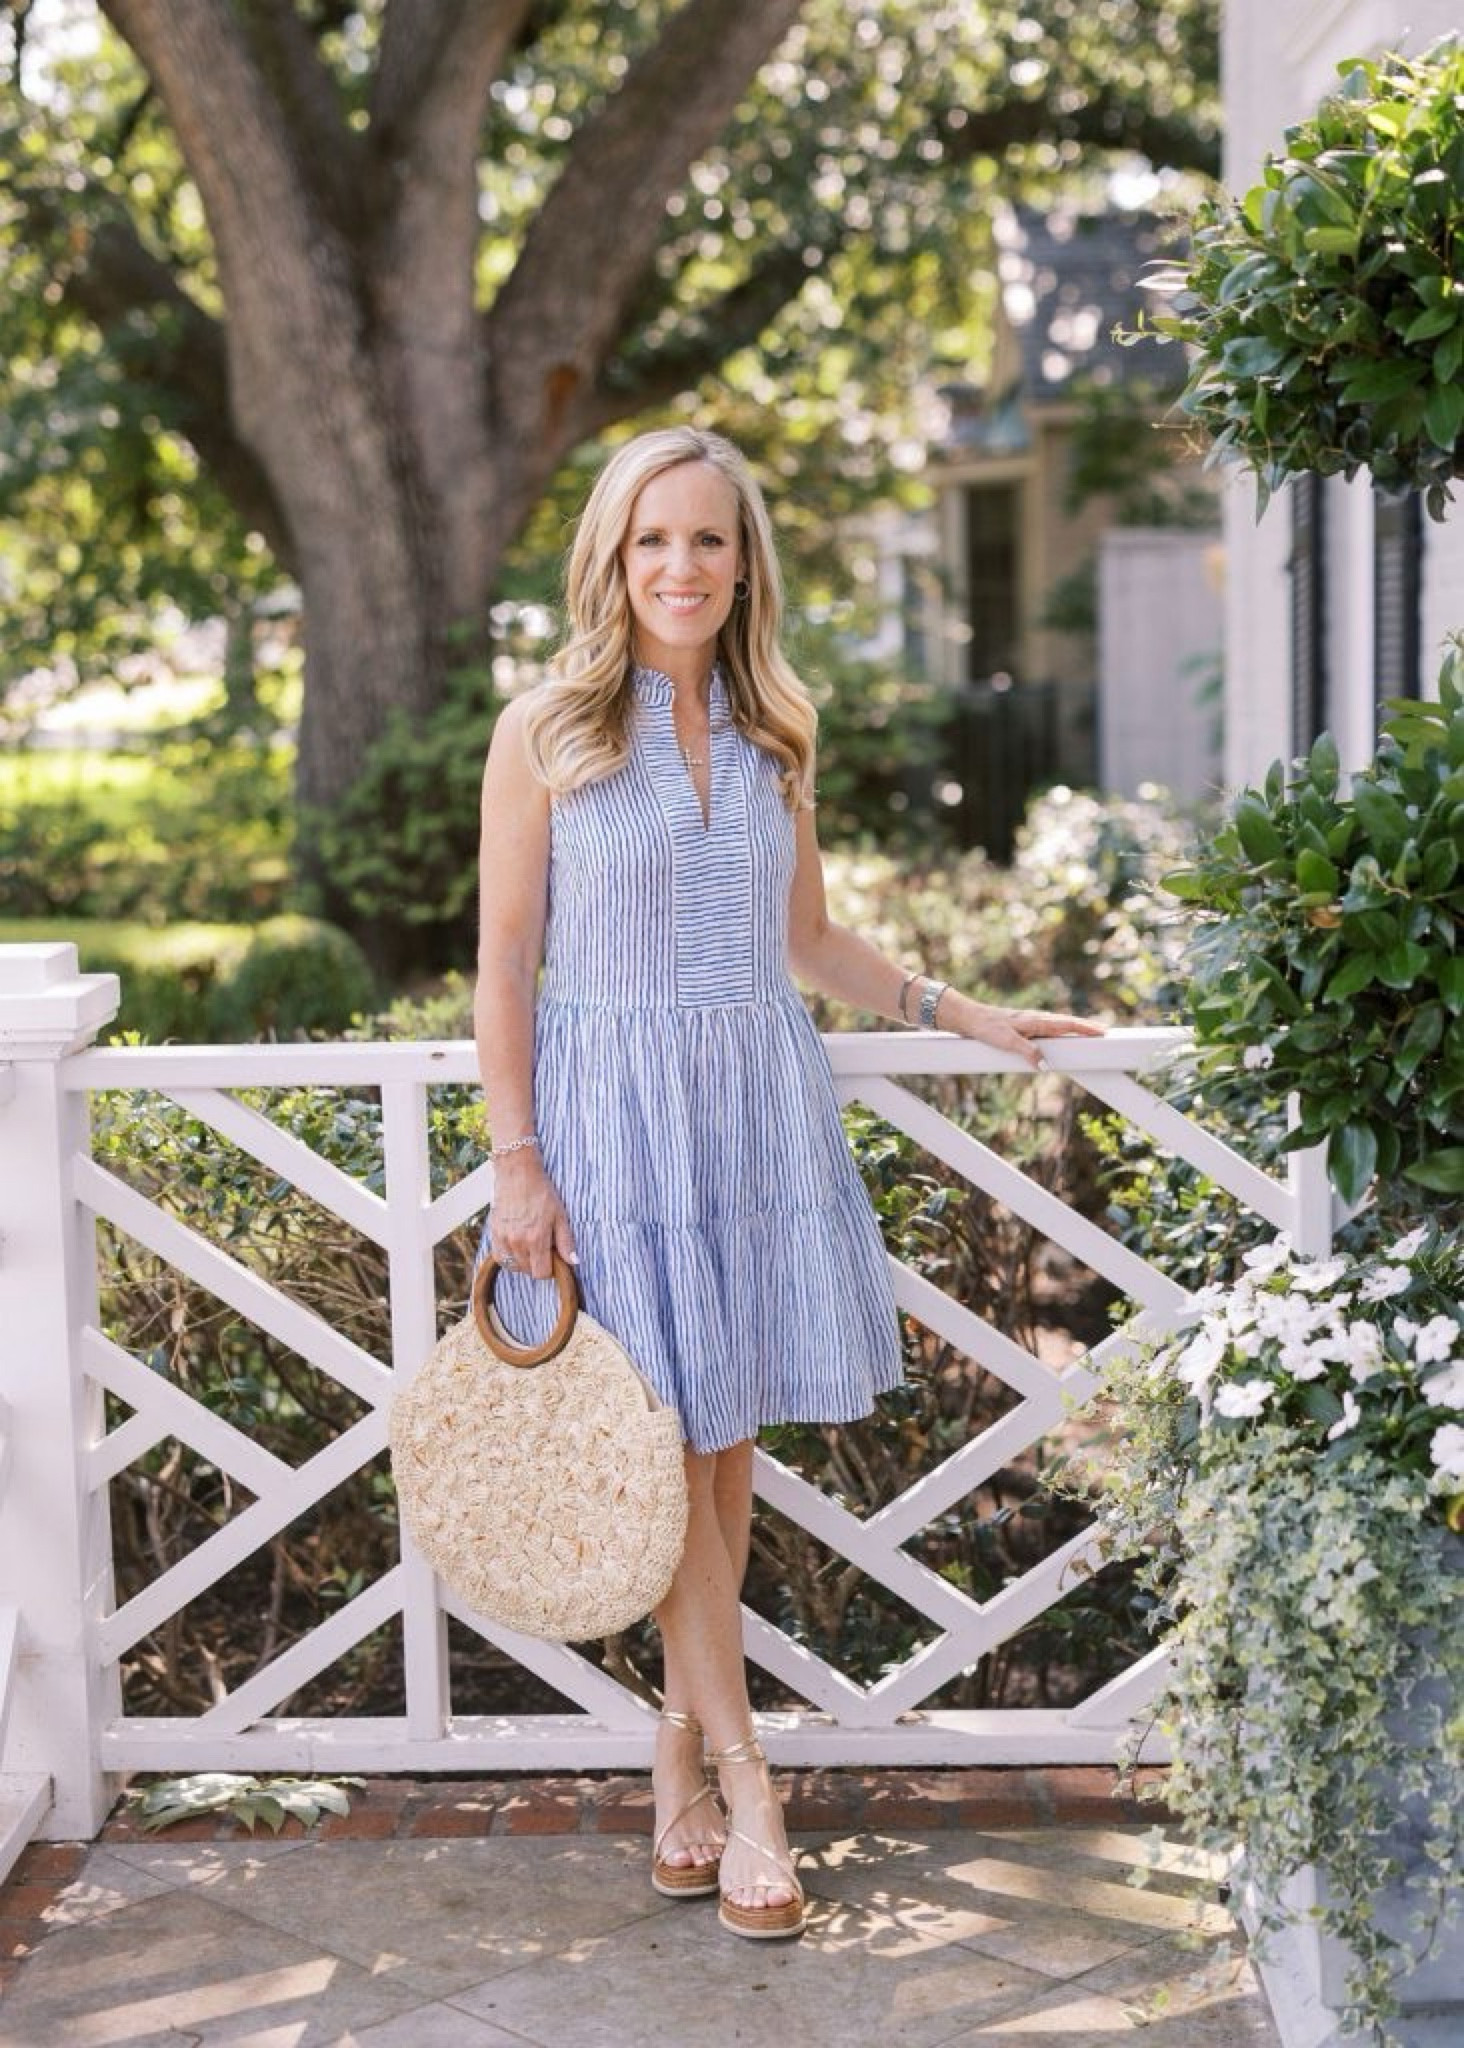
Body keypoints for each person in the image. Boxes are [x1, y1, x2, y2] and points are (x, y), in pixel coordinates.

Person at [473, 425, 1102, 1942]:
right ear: (612, 562)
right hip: (612, 1120)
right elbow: (501, 961)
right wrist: (515, 1164)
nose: (680, 568)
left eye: (707, 540)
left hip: (753, 1111)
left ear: (745, 560)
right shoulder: (546, 727)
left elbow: (811, 944)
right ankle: (751, 1783)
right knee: (668, 1453)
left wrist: (968, 1014)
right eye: (651, 542)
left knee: (726, 1453)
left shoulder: (775, 734)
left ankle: (675, 1762)